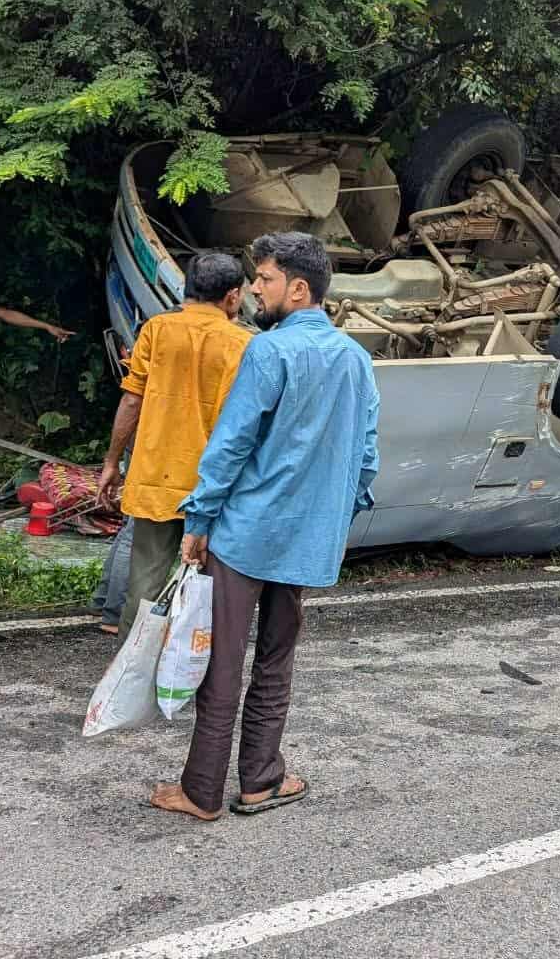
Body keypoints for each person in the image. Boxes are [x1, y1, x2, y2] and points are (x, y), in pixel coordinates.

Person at [150, 232, 379, 823]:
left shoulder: (268, 351)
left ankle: (202, 791)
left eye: (265, 278)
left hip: (247, 532)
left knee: (222, 661)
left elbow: (231, 447)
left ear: (298, 289)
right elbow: (367, 458)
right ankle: (261, 779)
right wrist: (332, 519)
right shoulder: (355, 359)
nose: (254, 287)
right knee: (276, 659)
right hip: (307, 540)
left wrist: (199, 519)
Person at [96, 252, 251, 641]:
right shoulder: (243, 343)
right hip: (213, 485)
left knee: (145, 583)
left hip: (154, 476)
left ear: (187, 289)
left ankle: (130, 668)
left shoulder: (157, 330)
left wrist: (112, 461)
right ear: (233, 297)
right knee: (209, 585)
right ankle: (193, 668)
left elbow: (132, 400)